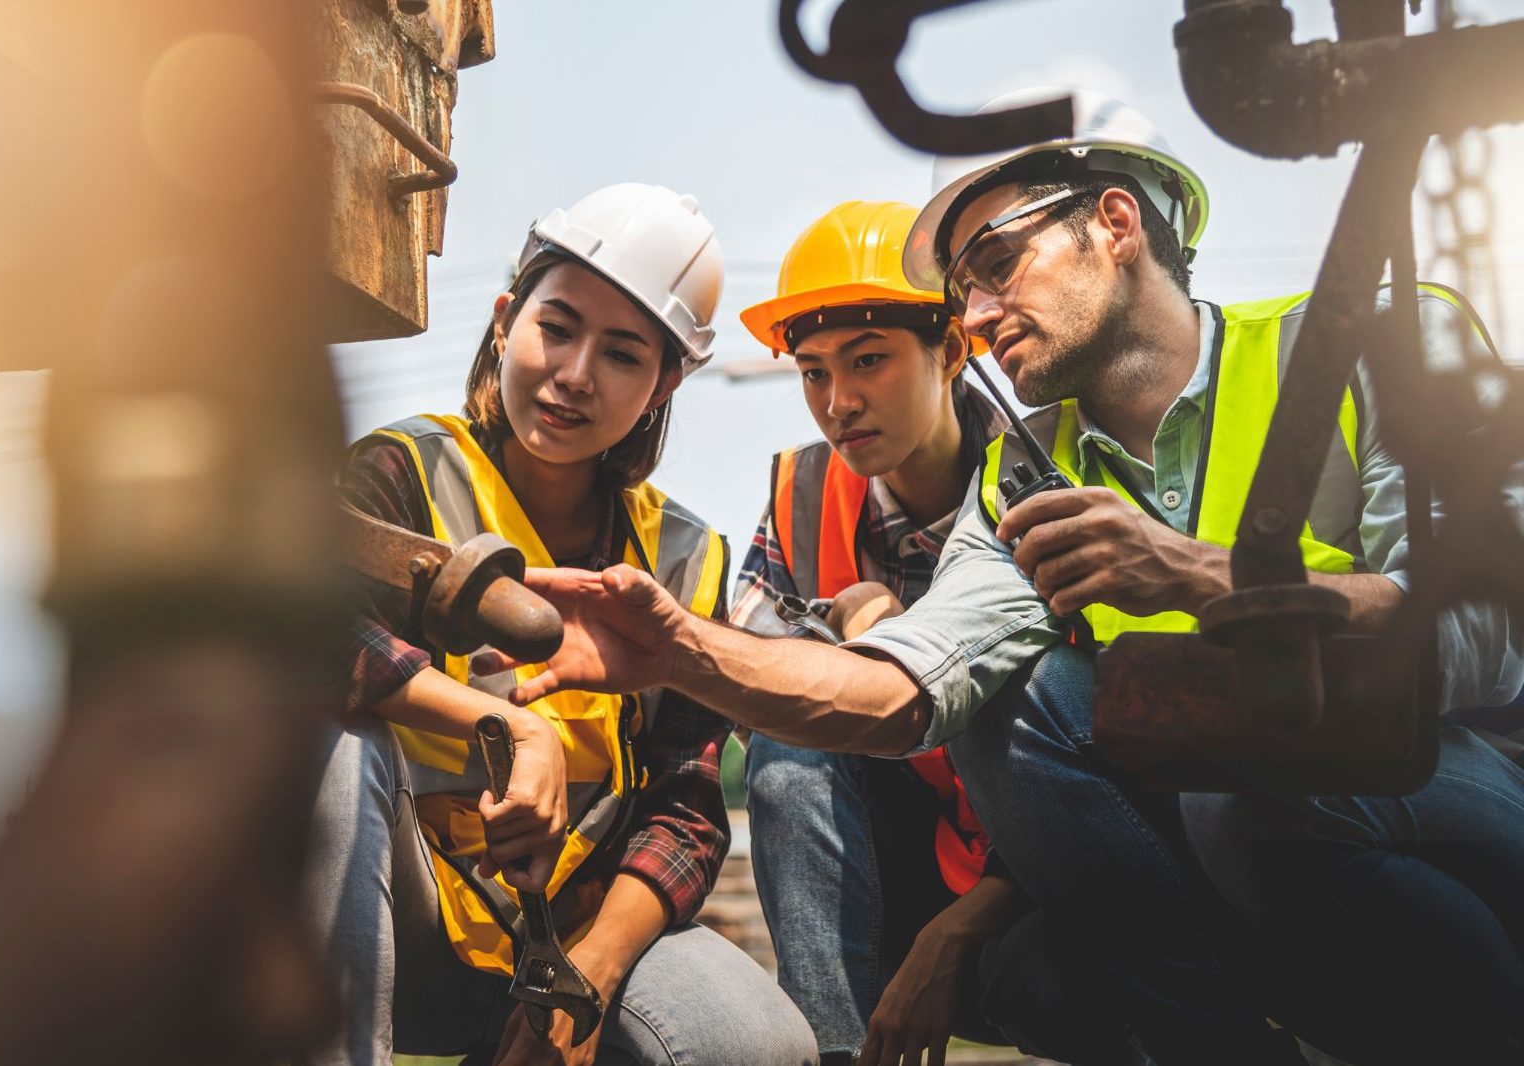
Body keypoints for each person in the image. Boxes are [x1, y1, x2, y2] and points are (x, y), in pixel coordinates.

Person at [474, 91, 1524, 1066]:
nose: (973, 313)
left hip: (1451, 778)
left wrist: (1203, 577)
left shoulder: (1374, 346)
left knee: (1237, 791)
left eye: (993, 263)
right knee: (1024, 712)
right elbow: (909, 687)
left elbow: (1485, 634)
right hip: (1220, 824)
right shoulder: (1022, 476)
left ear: (1114, 223)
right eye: (960, 290)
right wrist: (683, 653)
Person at [304, 183, 818, 1066]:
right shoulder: (401, 474)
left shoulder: (688, 556)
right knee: (324, 742)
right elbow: (313, 640)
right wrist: (506, 723)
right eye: (557, 327)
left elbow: (685, 808)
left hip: (575, 928)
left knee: (755, 1046)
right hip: (404, 924)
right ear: (506, 319)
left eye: (623, 353)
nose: (576, 374)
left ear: (667, 381)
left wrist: (587, 975)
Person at [733, 200, 1145, 1066]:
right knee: (788, 736)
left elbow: (1097, 757)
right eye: (812, 372)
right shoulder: (798, 503)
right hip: (891, 877)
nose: (838, 402)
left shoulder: (1047, 484)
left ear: (954, 350)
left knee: (1051, 987)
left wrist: (952, 937)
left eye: (869, 360)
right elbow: (752, 681)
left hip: (1038, 891)